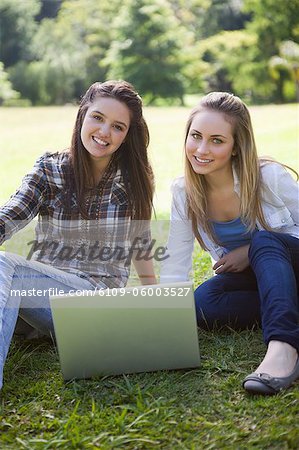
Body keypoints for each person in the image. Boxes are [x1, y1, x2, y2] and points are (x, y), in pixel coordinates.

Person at [0, 80, 156, 390]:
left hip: (94, 304)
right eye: (98, 118)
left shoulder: (133, 179)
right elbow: (10, 217)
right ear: (82, 115)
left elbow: (141, 241)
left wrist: (155, 299)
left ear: (127, 135)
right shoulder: (50, 169)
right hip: (39, 306)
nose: (104, 132)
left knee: (7, 265)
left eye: (118, 127)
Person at [160, 91, 299, 395]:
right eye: (195, 136)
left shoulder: (269, 177)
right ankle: (287, 307)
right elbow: (176, 260)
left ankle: (284, 349)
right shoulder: (184, 192)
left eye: (217, 140)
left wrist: (251, 250)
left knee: (264, 241)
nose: (201, 149)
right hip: (262, 282)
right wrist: (164, 322)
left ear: (236, 147)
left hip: (291, 262)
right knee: (202, 303)